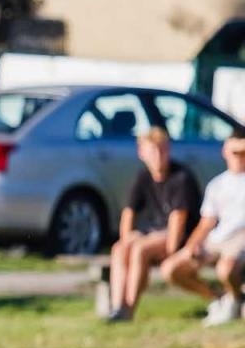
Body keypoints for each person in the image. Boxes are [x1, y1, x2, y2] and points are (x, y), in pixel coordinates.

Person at [104, 127, 200, 321]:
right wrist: (126, 239)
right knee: (119, 249)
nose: (158, 156)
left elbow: (178, 221)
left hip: (180, 238)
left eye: (162, 150)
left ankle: (128, 309)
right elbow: (128, 212)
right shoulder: (143, 177)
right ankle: (116, 307)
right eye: (153, 151)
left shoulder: (181, 178)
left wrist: (170, 251)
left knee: (140, 249)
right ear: (142, 153)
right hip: (154, 234)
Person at [160, 128, 245, 326]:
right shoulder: (217, 184)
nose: (239, 157)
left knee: (226, 269)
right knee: (171, 269)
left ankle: (233, 301)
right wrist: (193, 244)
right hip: (217, 238)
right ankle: (217, 299)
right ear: (225, 151)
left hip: (240, 238)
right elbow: (207, 222)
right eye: (235, 152)